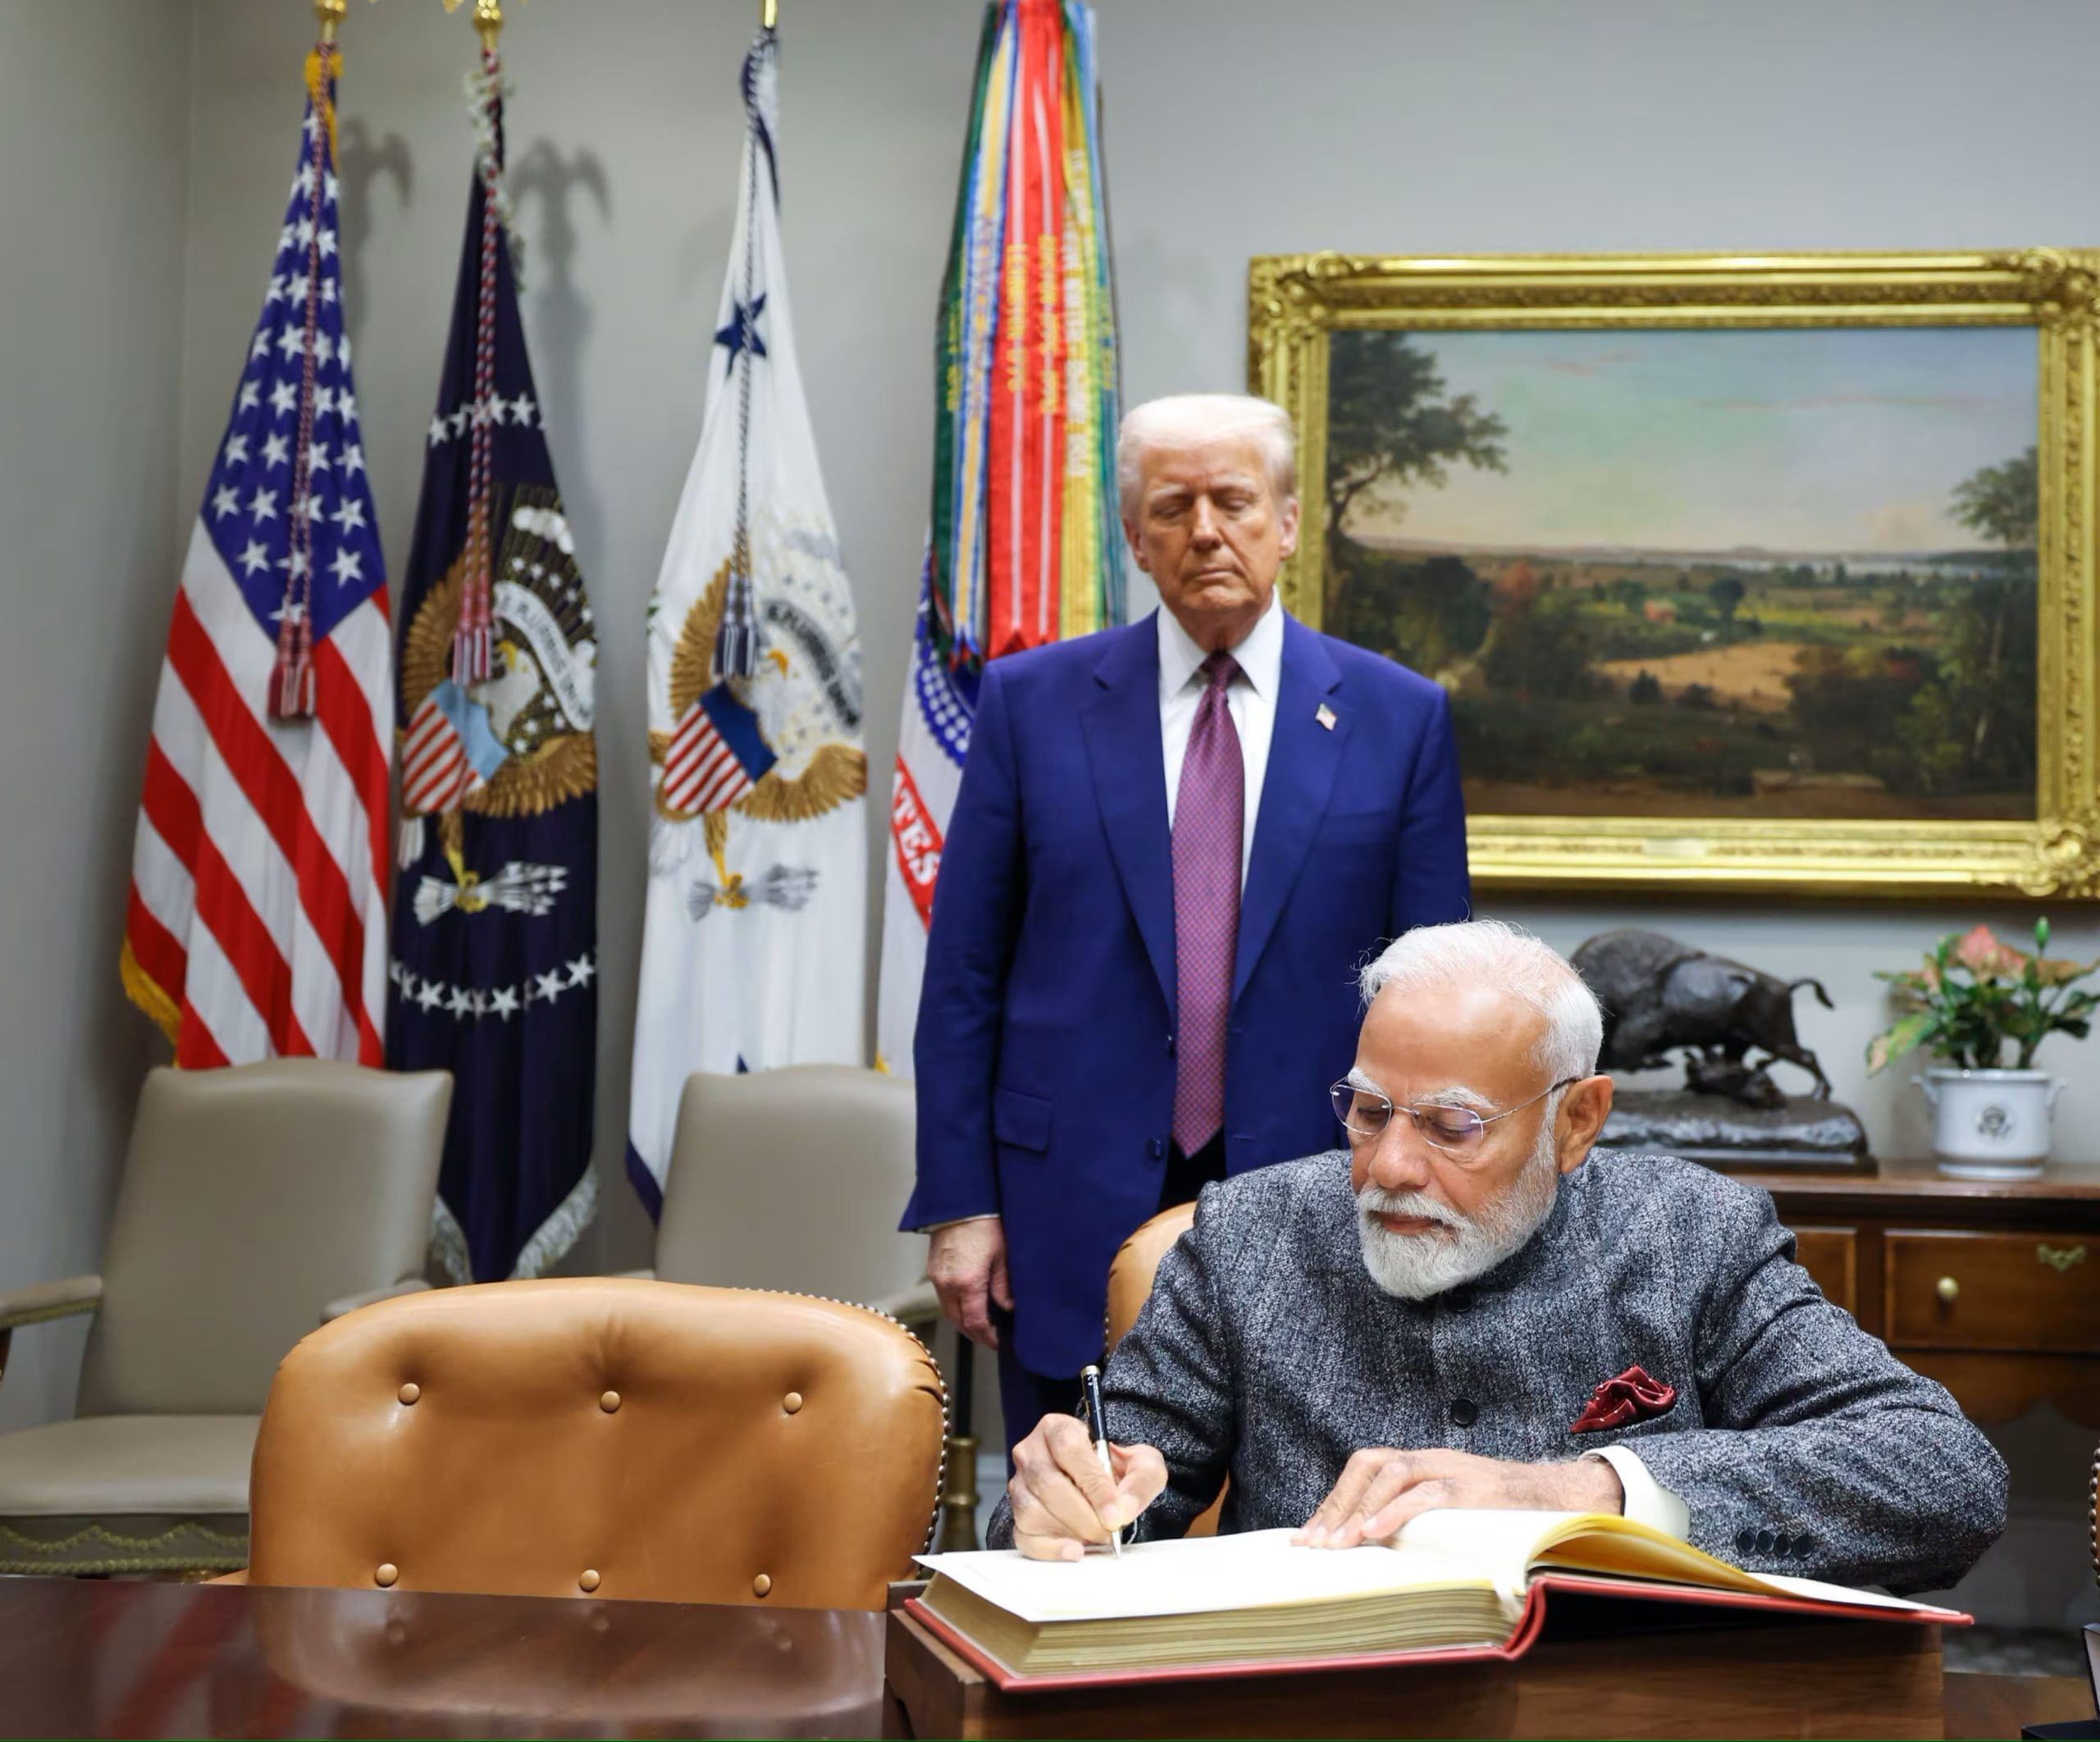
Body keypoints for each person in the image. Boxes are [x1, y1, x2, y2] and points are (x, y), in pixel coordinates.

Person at [992, 920, 2008, 1595]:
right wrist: (1059, 1505)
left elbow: (1944, 1475)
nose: (1389, 1165)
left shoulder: (1691, 1238)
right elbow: (1104, 1496)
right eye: (1368, 1110)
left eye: (1453, 1126)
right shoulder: (1249, 1237)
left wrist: (1587, 1490)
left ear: (1576, 1122)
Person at [905, 394, 1472, 1457]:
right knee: (1070, 1532)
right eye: (1172, 507)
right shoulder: (1031, 706)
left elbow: (1438, 1000)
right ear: (1134, 536)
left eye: (1233, 501)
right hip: (1063, 1206)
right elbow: (965, 976)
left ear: (1289, 522)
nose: (1205, 529)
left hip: (1319, 1204)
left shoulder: (1400, 719)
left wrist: (1434, 1198)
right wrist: (961, 1204)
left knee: (1293, 1544)